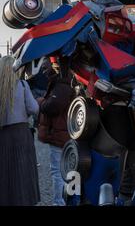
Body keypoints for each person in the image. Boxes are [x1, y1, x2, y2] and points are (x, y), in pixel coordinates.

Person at [0, 56, 40, 206]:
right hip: (21, 134)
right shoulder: (22, 85)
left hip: (3, 135)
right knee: (22, 171)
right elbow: (34, 108)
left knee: (5, 172)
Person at [37, 62, 75, 206]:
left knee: (59, 173)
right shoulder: (63, 83)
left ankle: (60, 203)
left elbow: (52, 106)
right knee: (70, 171)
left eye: (46, 67)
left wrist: (42, 103)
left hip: (60, 136)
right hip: (65, 135)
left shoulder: (61, 86)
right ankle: (70, 201)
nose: (44, 71)